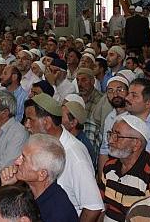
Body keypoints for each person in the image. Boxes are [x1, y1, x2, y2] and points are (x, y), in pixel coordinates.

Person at [24, 93, 104, 221]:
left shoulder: (74, 154)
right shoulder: (44, 145)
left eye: (30, 119)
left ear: (47, 122)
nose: (26, 125)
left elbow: (93, 207)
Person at [0, 134, 79, 222]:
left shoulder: (56, 213)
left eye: (24, 159)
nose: (17, 162)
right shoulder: (30, 189)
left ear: (42, 174)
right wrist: (6, 188)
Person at [99, 115, 150, 222]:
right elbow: (102, 206)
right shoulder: (109, 166)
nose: (110, 140)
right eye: (111, 134)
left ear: (136, 144)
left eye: (117, 136)